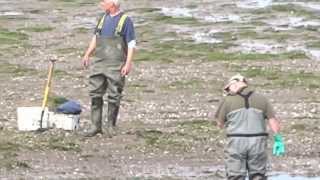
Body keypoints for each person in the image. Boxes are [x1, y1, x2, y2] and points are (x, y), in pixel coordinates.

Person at [81, 0, 136, 137]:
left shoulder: (126, 20)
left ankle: (111, 126)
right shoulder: (102, 18)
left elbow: (131, 44)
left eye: (104, 1)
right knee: (95, 93)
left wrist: (128, 63)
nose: (101, 3)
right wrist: (87, 54)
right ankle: (95, 126)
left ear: (113, 4)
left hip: (116, 64)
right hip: (99, 62)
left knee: (114, 95)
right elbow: (95, 38)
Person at [214, 74, 285, 180]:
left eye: (229, 88)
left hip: (236, 141)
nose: (228, 91)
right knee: (258, 175)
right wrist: (278, 139)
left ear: (235, 84)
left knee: (235, 175)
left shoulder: (227, 100)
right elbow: (273, 121)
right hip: (258, 142)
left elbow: (220, 124)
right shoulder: (262, 99)